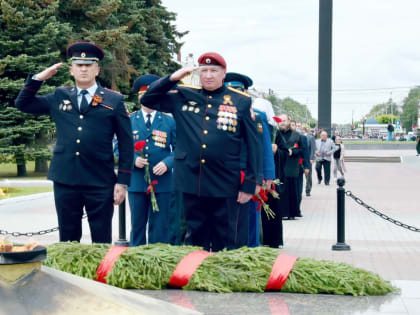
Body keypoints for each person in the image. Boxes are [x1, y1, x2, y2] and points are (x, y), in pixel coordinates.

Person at [15, 42, 133, 243]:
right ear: (72, 70)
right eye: (79, 65)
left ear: (97, 69)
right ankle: (68, 275)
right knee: (68, 238)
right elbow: (23, 104)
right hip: (65, 179)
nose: (84, 69)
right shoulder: (60, 96)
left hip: (100, 180)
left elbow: (126, 144)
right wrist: (38, 79)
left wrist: (122, 182)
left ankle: (96, 275)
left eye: (89, 65)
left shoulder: (114, 101)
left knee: (101, 239)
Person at [141, 52, 259, 251]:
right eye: (204, 70)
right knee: (194, 240)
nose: (208, 75)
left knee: (226, 239)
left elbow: (253, 144)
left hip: (225, 182)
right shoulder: (184, 96)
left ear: (224, 73)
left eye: (214, 71)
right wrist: (173, 78)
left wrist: (249, 184)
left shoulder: (240, 101)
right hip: (190, 181)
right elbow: (148, 99)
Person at [114, 74, 176, 246]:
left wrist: (167, 163)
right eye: (143, 96)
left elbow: (180, 150)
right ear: (139, 98)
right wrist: (133, 160)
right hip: (137, 181)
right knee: (137, 225)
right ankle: (137, 259)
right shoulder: (129, 120)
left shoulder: (170, 122)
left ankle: (159, 259)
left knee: (160, 226)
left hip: (162, 182)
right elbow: (118, 147)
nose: (147, 100)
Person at [224, 72, 275, 248]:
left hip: (249, 174)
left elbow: (265, 147)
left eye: (237, 91)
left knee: (250, 217)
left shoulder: (258, 116)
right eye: (229, 90)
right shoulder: (218, 112)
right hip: (223, 173)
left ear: (245, 92)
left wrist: (267, 175)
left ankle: (251, 250)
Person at [275, 115, 304, 221]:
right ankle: (281, 212)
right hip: (278, 167)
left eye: (284, 120)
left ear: (289, 122)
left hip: (292, 167)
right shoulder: (276, 134)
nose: (282, 123)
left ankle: (292, 212)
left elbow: (301, 149)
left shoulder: (296, 135)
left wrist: (293, 151)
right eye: (280, 121)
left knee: (292, 191)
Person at [302, 127, 316, 196]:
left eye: (300, 127)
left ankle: (308, 190)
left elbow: (313, 149)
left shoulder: (310, 138)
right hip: (299, 160)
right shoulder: (296, 137)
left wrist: (311, 158)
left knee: (308, 176)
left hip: (308, 160)